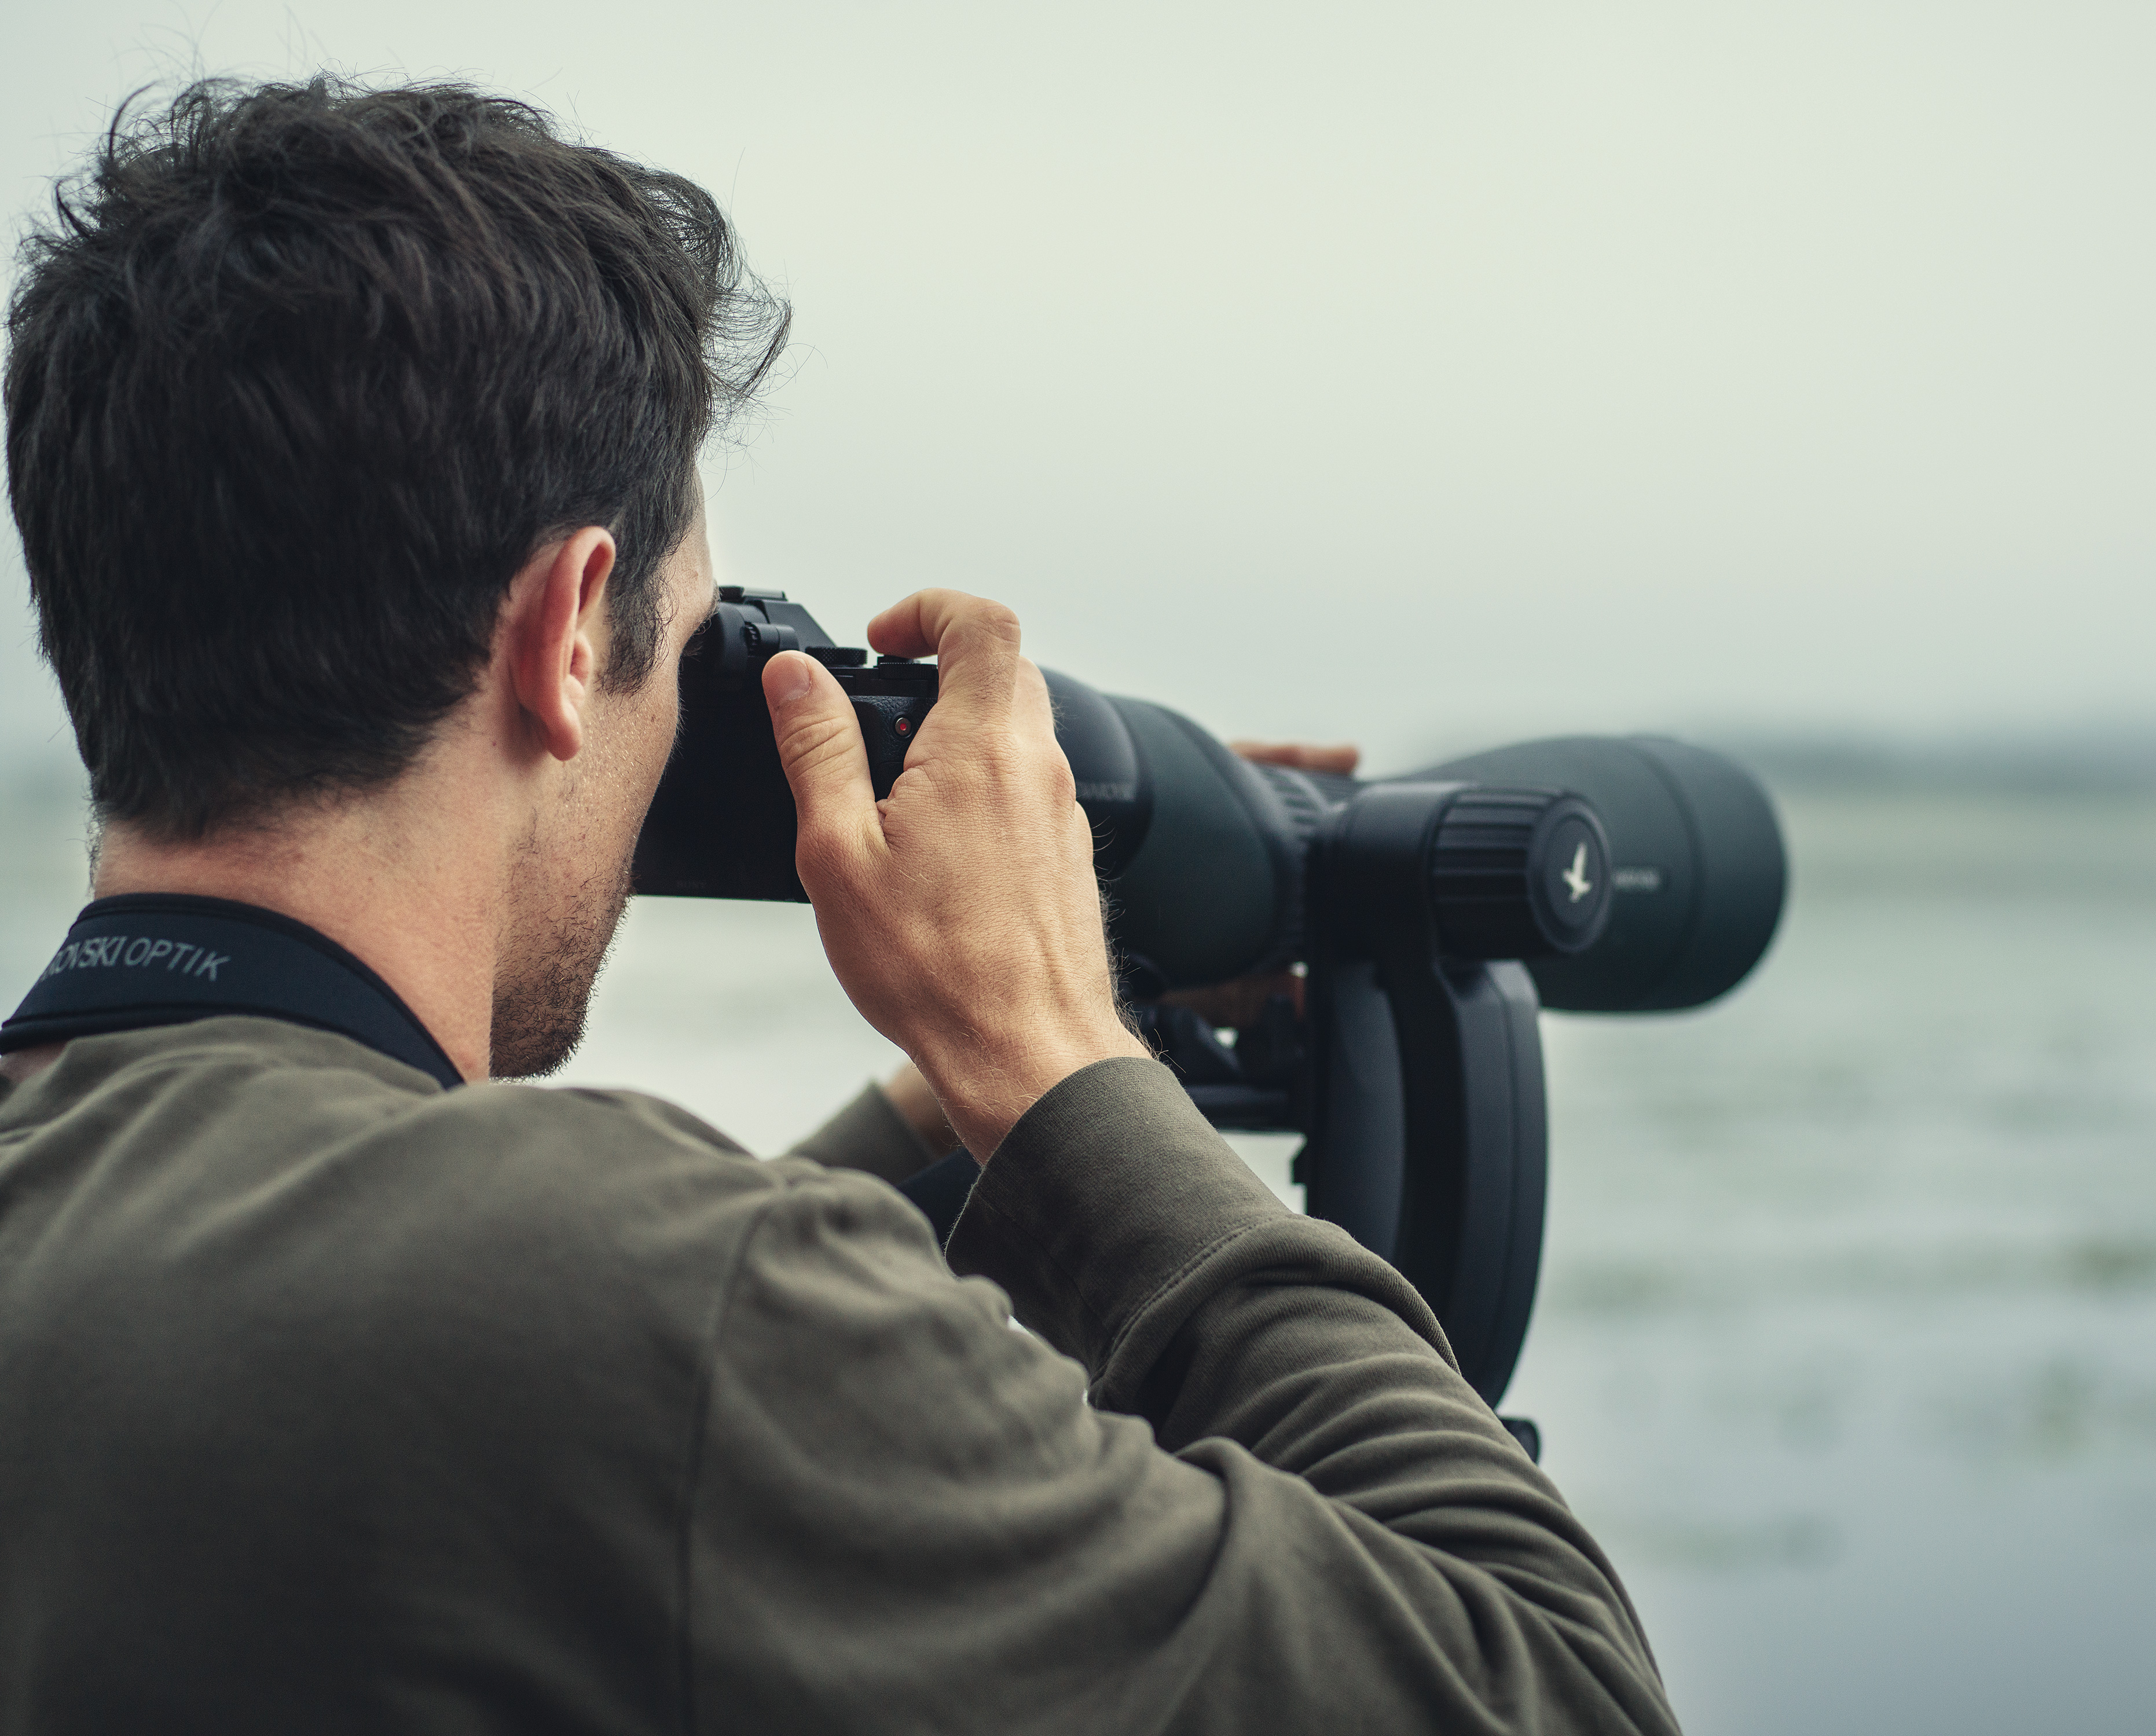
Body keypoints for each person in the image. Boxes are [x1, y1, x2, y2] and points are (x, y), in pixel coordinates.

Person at [0, 77, 1678, 1734]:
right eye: (690, 650)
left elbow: (523, 1355)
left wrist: (941, 1101)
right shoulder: (647, 1313)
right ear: (570, 633)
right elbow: (1558, 1694)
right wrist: (1056, 1062)